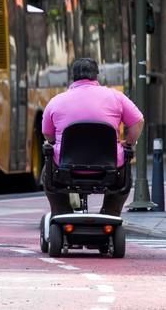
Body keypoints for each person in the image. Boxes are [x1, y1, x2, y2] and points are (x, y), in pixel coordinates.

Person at [42, 58, 144, 216]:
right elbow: (138, 121)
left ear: (72, 77)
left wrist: (55, 143)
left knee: (47, 173)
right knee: (124, 174)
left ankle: (61, 211)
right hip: (110, 169)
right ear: (97, 76)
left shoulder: (56, 101)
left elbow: (48, 134)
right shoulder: (116, 97)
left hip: (65, 168)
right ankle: (111, 213)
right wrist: (128, 143)